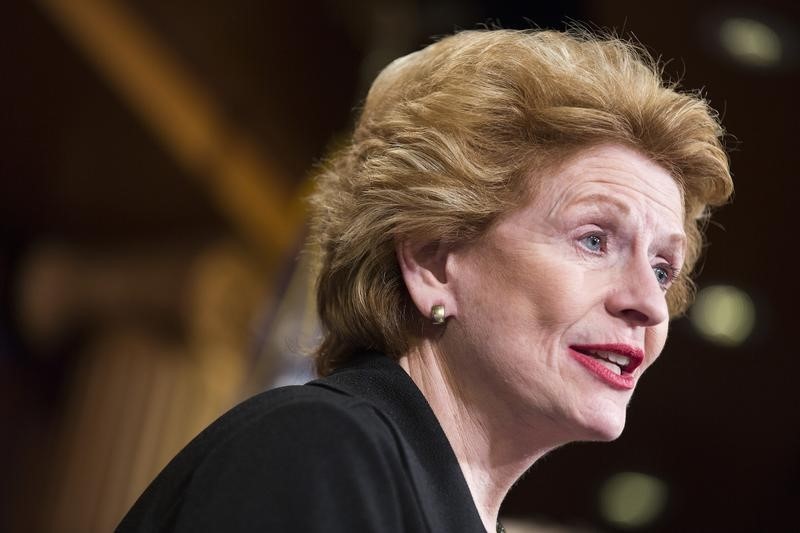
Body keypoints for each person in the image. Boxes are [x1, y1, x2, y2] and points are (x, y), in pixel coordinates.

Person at [118, 28, 733, 532]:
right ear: (434, 261)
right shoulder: (321, 452)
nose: (650, 305)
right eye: (594, 240)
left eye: (662, 268)